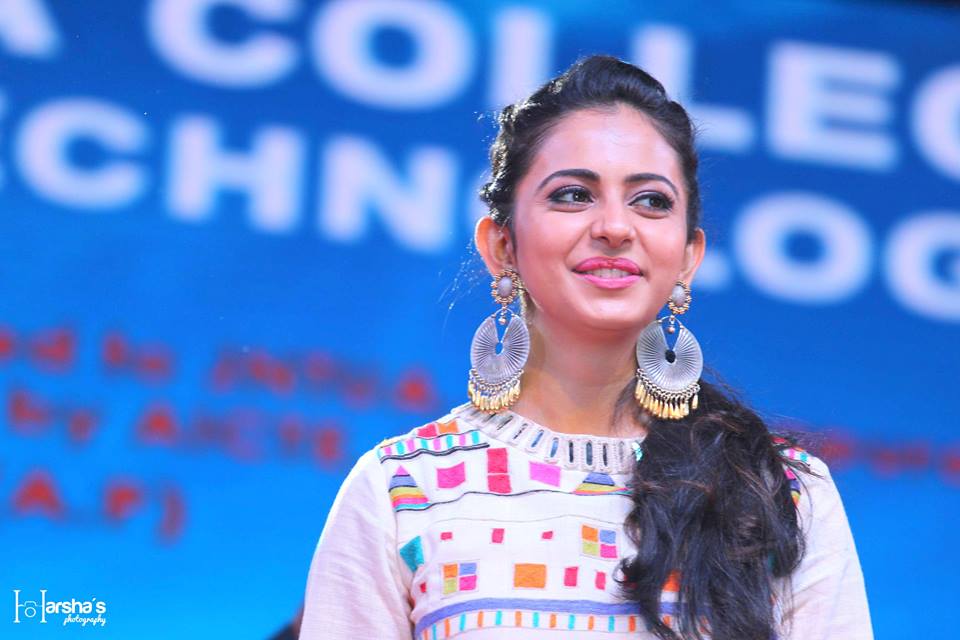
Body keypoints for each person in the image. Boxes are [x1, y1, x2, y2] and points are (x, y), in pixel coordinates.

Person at [297, 55, 873, 640]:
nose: (615, 228)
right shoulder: (402, 488)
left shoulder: (781, 491)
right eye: (573, 195)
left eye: (651, 201)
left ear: (688, 257)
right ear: (501, 246)